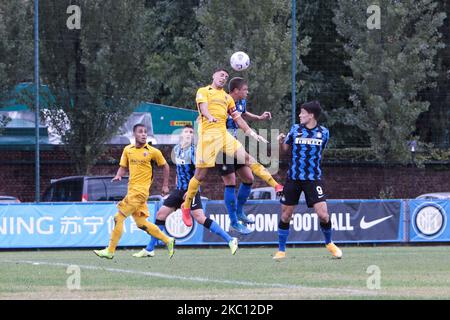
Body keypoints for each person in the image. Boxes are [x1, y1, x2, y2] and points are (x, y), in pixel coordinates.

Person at [181, 68, 283, 227]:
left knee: (249, 160)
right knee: (199, 176)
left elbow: (238, 118)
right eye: (221, 75)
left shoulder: (228, 98)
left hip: (224, 136)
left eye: (226, 76)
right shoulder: (203, 91)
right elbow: (203, 108)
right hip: (207, 138)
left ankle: (276, 185)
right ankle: (186, 206)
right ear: (213, 75)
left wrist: (251, 133)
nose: (223, 77)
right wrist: (209, 117)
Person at [132, 125, 238, 257]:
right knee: (160, 214)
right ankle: (149, 249)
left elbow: (199, 173)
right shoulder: (176, 150)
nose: (188, 134)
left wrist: (191, 191)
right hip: (179, 190)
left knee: (200, 218)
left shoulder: (195, 151)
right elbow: (178, 171)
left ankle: (230, 240)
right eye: (186, 131)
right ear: (181, 135)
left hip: (191, 191)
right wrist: (176, 185)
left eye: (191, 132)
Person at [94, 123, 175, 259]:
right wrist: (119, 175)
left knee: (118, 217)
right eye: (140, 132)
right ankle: (168, 240)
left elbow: (166, 166)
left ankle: (110, 250)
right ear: (134, 135)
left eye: (145, 132)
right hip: (132, 191)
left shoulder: (152, 151)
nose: (144, 134)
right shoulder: (128, 150)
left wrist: (165, 185)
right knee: (141, 223)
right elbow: (123, 166)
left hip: (140, 192)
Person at [273, 101, 342, 260]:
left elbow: (320, 152)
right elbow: (285, 151)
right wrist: (280, 141)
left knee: (323, 215)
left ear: (311, 115)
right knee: (286, 215)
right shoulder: (295, 129)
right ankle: (281, 250)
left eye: (302, 113)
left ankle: (329, 243)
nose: (299, 115)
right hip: (294, 178)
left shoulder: (324, 132)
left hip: (313, 179)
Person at [218, 77, 272, 234]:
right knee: (230, 182)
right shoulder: (223, 101)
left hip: (235, 144)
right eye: (245, 89)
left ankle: (239, 212)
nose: (247, 92)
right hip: (221, 145)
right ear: (236, 90)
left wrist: (259, 118)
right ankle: (233, 222)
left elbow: (243, 114)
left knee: (249, 178)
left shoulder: (240, 103)